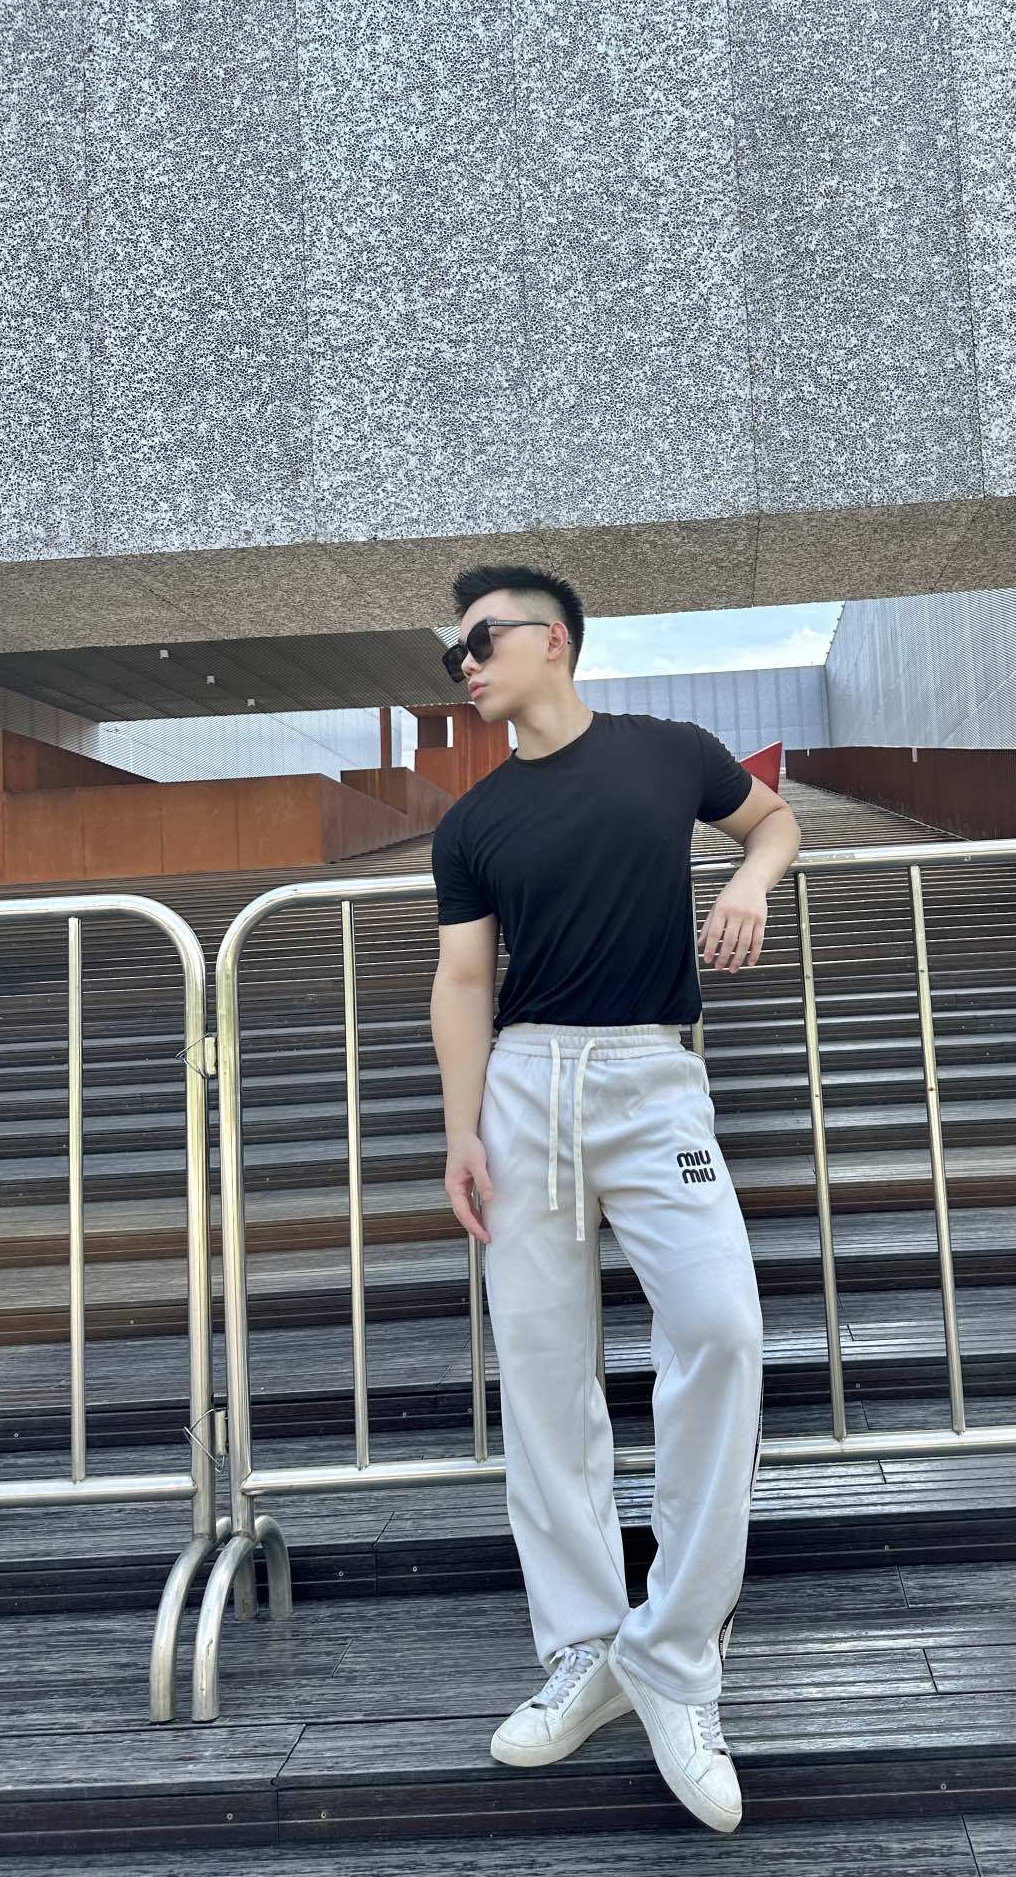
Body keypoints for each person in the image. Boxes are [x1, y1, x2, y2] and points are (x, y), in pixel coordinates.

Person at [429, 563, 802, 1834]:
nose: (466, 664)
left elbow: (774, 823)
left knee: (723, 1330)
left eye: (482, 639)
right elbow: (464, 982)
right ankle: (584, 1650)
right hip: (525, 1087)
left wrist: (747, 883)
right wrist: (462, 1128)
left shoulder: (667, 752)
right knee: (543, 1372)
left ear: (554, 640)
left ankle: (674, 1658)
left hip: (654, 1080)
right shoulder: (472, 824)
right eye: (456, 651)